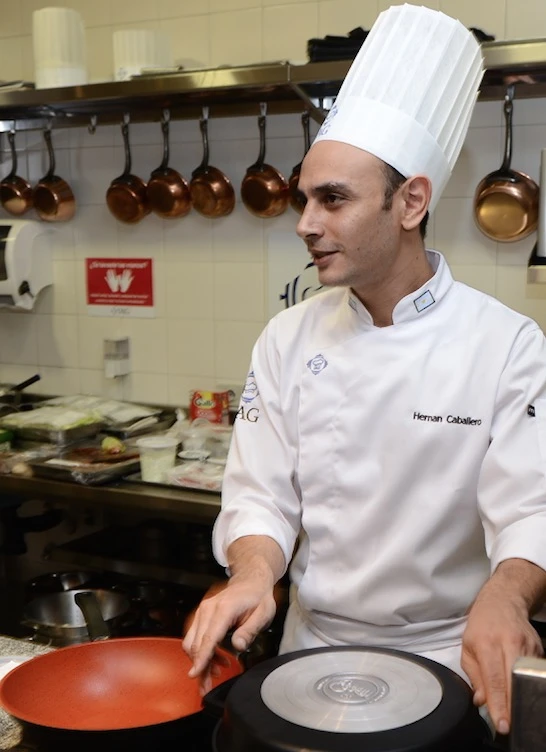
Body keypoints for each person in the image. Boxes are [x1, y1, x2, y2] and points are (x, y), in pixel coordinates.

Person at [183, 3, 546, 738]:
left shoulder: (507, 344)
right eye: (304, 199)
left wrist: (508, 595)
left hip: (452, 657)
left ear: (410, 201)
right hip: (308, 650)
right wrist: (253, 571)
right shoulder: (287, 337)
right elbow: (261, 496)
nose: (305, 223)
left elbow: (530, 511)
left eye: (334, 200)